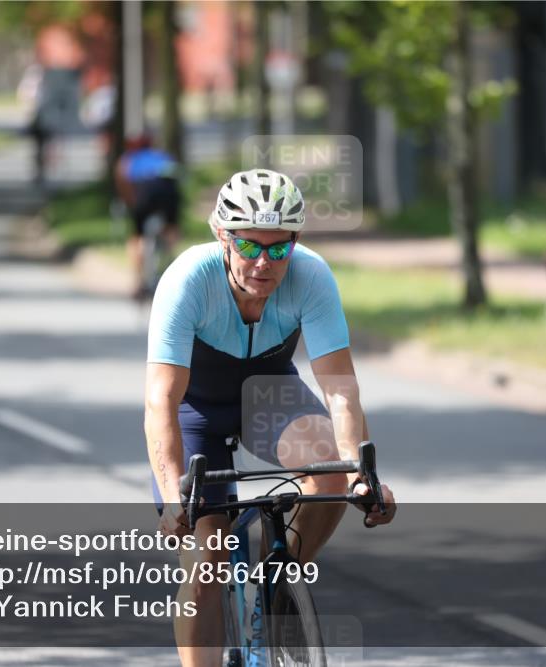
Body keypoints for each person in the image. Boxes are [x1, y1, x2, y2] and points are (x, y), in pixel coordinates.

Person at [143, 169, 397, 667]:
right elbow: (161, 401)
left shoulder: (312, 275)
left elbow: (340, 387)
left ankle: (275, 586)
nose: (264, 262)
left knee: (330, 475)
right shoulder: (186, 281)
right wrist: (174, 495)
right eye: (249, 246)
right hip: (196, 410)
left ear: (295, 242)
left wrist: (363, 475)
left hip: (268, 394)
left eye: (278, 248)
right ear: (223, 236)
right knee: (207, 561)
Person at [115, 135, 182, 297]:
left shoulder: (129, 159)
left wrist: (131, 202)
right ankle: (171, 259)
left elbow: (122, 181)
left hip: (144, 191)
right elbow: (177, 176)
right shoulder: (162, 156)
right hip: (168, 190)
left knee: (136, 237)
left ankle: (138, 282)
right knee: (171, 229)